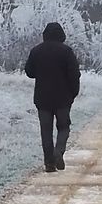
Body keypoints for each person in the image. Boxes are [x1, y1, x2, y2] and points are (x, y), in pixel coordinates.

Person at [24, 21, 81, 172]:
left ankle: (49, 164)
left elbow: (29, 72)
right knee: (63, 127)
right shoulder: (66, 51)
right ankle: (58, 152)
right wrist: (73, 92)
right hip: (63, 98)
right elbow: (75, 74)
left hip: (43, 98)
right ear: (61, 34)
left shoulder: (36, 51)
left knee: (46, 130)